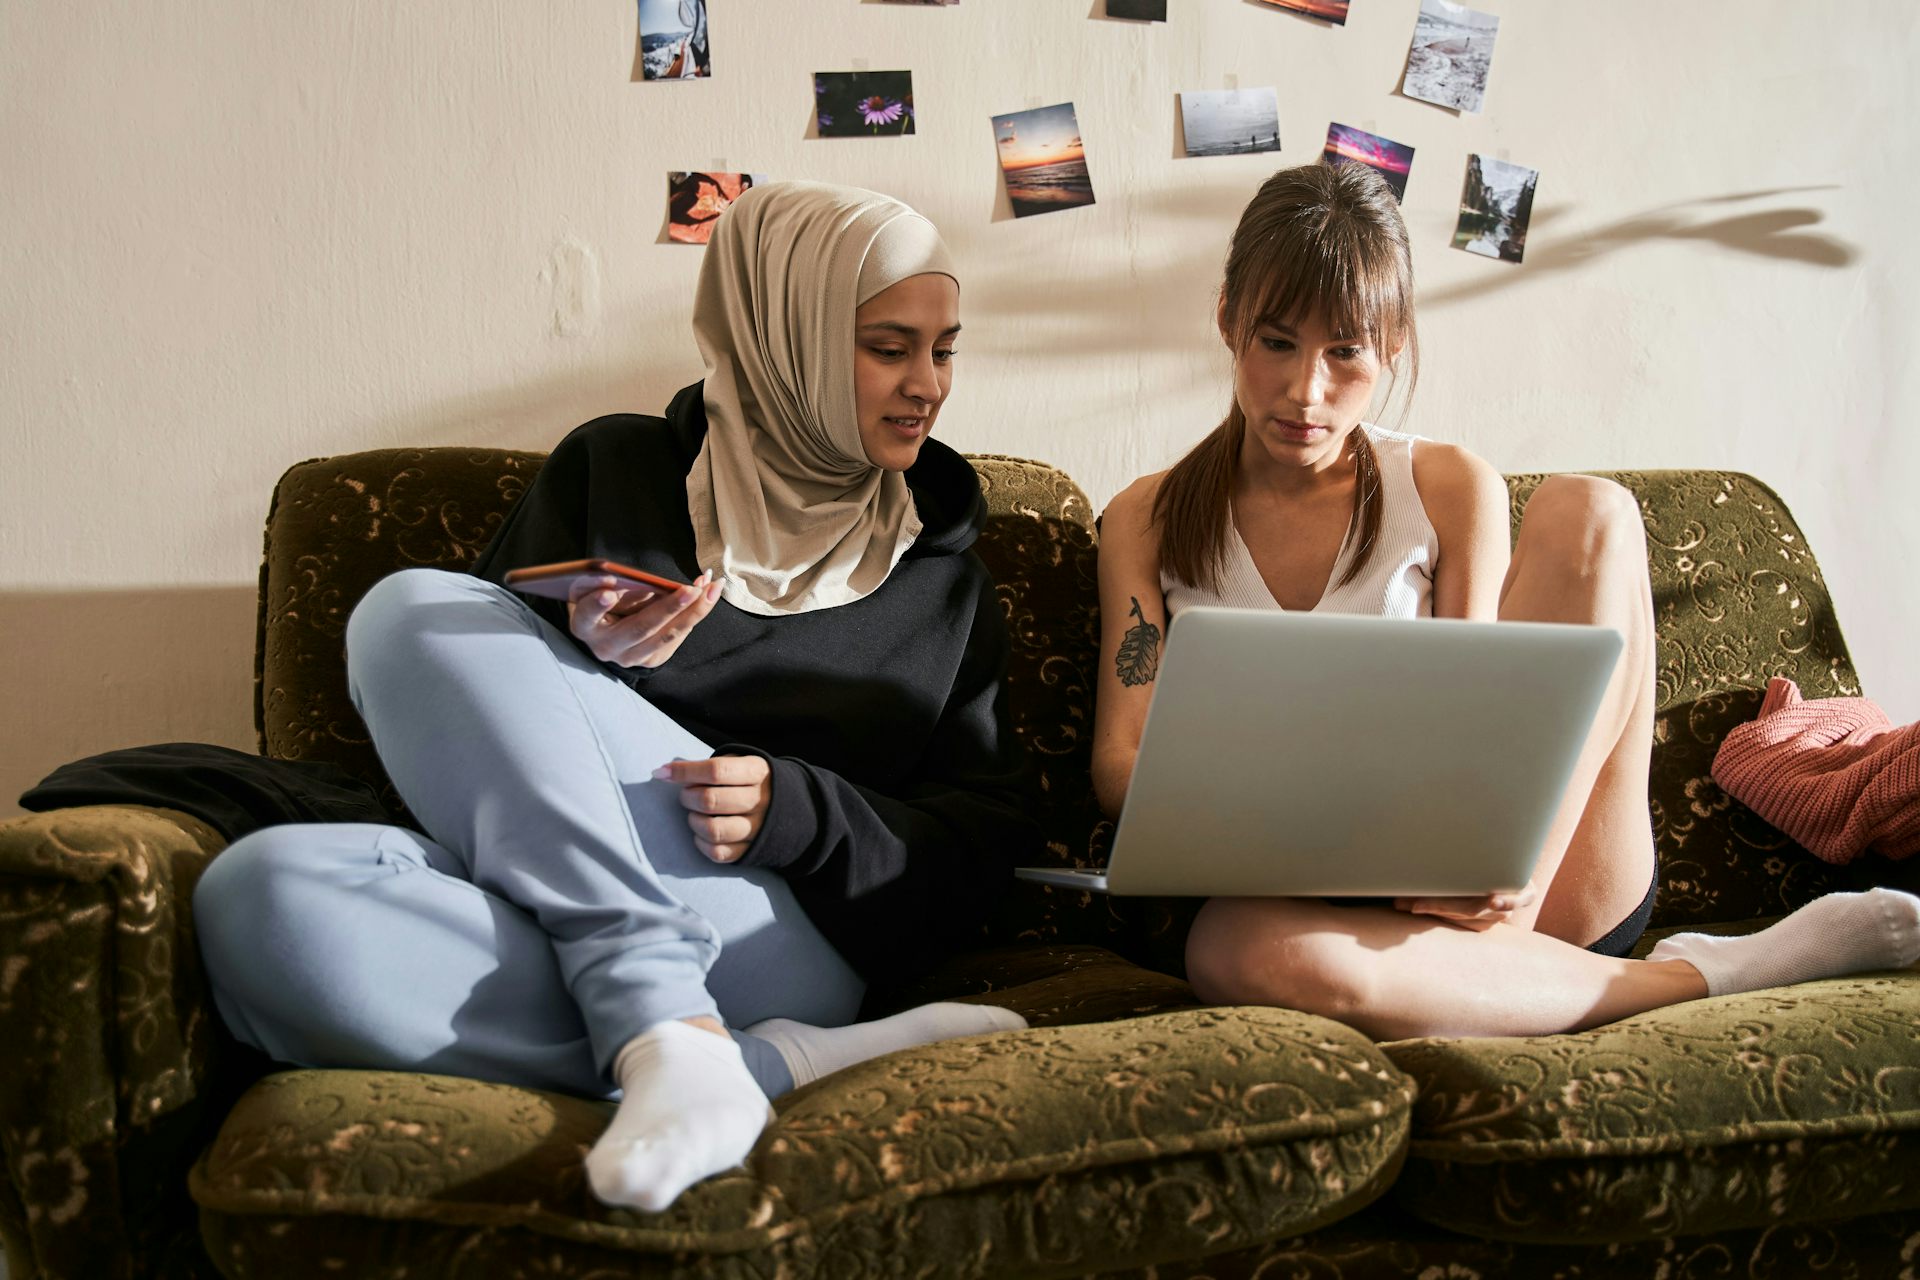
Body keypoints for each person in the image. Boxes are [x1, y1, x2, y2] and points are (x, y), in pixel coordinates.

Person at [193, 181, 1038, 1212]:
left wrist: (802, 810)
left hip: (778, 928)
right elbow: (460, 725)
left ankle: (660, 1015)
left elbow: (984, 844)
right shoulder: (618, 467)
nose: (927, 386)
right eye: (889, 347)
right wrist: (581, 652)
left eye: (944, 349)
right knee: (262, 890)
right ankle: (747, 1059)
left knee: (414, 611)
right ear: (784, 340)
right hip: (559, 886)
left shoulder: (948, 583)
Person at [1092, 161, 1920, 1041]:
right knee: (1239, 949)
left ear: (1393, 344)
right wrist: (1284, 822)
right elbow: (1120, 763)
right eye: (1276, 342)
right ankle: (1703, 974)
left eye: (1346, 351)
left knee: (1590, 510)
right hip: (1291, 915)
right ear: (1228, 318)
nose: (1307, 391)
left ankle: (1505, 915)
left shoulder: (1448, 485)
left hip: (1523, 886)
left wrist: (1488, 859)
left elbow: (1478, 729)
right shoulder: (1146, 516)